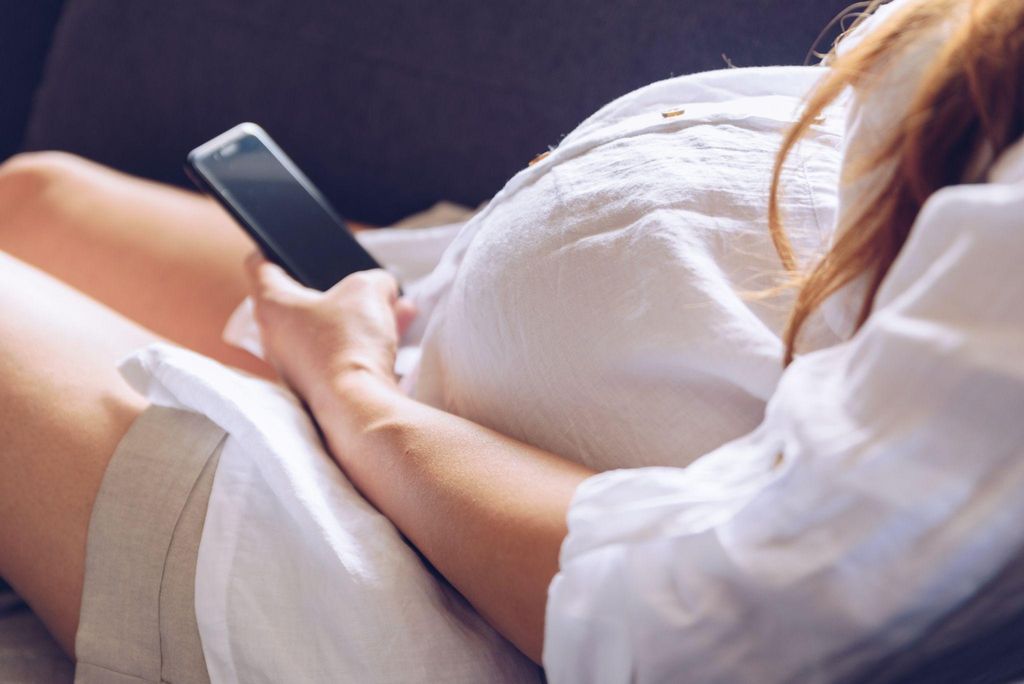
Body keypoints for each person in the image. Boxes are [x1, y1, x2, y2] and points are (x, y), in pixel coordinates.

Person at [1, 0, 1022, 681]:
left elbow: (693, 613)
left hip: (421, 580)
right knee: (31, 199)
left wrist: (354, 391)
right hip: (422, 322)